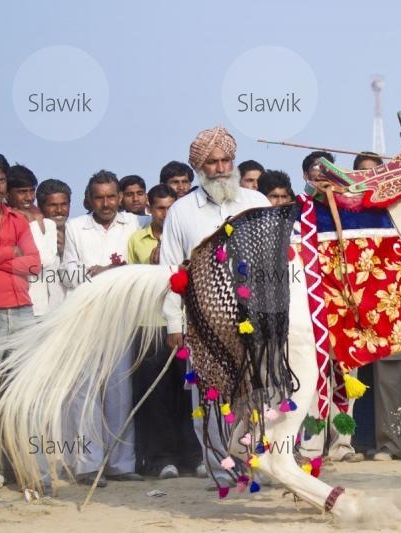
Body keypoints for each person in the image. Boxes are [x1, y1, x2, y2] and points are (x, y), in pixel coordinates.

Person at [160, 126, 270, 489]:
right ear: (199, 168)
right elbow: (171, 270)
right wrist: (174, 322)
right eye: (212, 162)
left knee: (260, 394)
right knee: (212, 398)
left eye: (226, 160)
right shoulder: (181, 212)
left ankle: (263, 465)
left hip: (255, 319)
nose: (221, 168)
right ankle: (223, 470)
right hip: (204, 321)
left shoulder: (256, 204)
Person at [62, 170, 144, 486]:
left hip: (121, 317)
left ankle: (122, 464)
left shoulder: (135, 224)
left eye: (112, 196)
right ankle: (87, 464)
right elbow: (68, 273)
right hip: (85, 318)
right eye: (100, 197)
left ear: (120, 198)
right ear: (89, 199)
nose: (106, 203)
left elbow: (141, 265)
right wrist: (95, 272)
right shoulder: (75, 228)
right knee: (84, 394)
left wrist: (110, 272)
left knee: (120, 393)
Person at [0, 151, 41, 499]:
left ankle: (30, 474)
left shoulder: (18, 219)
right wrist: (8, 254)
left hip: (23, 313)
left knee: (25, 398)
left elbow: (34, 266)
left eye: (1, 180)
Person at [127, 184, 201, 479]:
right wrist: (151, 264)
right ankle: (161, 459)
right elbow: (130, 280)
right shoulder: (136, 240)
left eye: (172, 207)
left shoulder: (188, 238)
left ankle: (194, 455)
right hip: (150, 325)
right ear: (149, 209)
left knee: (188, 393)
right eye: (160, 208)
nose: (166, 213)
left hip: (185, 323)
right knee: (156, 395)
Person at [5, 165, 58, 317]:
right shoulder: (2, 222)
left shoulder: (47, 224)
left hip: (39, 309)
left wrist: (32, 221)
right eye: (22, 192)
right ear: (7, 194)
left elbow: (44, 260)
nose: (29, 197)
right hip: (5, 307)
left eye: (31, 190)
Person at [36, 179, 71, 309]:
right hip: (39, 314)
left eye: (64, 204)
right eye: (52, 205)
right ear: (40, 206)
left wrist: (65, 251)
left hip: (70, 312)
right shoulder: (32, 234)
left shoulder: (77, 234)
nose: (59, 210)